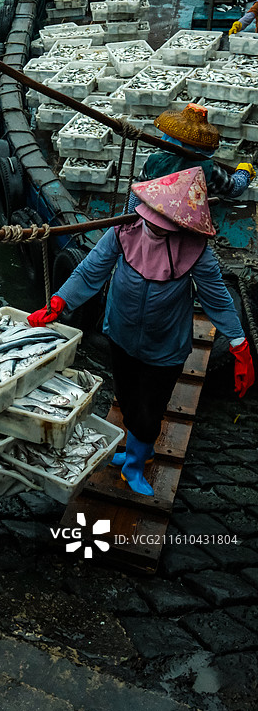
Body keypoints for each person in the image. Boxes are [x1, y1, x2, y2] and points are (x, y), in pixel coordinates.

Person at [28, 167, 255, 497]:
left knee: (151, 409)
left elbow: (217, 296)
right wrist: (60, 301)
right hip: (121, 332)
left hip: (165, 345)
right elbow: (92, 268)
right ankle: (140, 447)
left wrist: (238, 343)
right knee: (129, 399)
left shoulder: (196, 250)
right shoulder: (124, 230)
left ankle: (134, 462)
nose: (153, 227)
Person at [129, 103, 254, 207]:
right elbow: (234, 188)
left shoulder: (154, 160)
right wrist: (243, 173)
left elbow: (137, 190)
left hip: (153, 216)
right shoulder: (208, 168)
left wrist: (128, 219)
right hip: (188, 222)